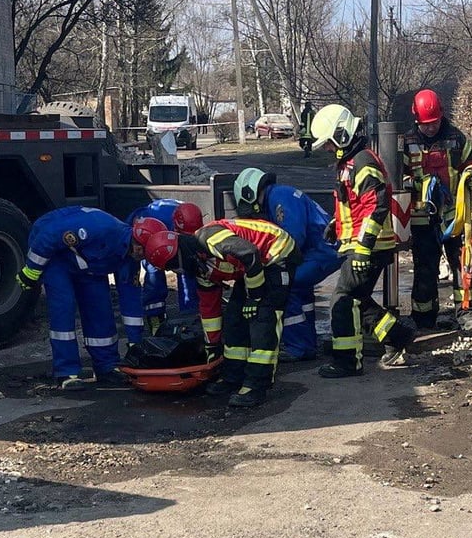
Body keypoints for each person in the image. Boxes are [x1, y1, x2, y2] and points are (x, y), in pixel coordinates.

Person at [143, 218, 300, 408]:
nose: (177, 272)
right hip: (251, 266)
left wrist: (255, 297)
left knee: (263, 319)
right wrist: (211, 345)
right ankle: (233, 377)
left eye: (172, 266)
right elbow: (210, 310)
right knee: (234, 318)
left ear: (177, 257)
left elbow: (249, 253)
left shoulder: (209, 238)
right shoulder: (201, 268)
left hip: (276, 253)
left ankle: (257, 385)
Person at [310, 104, 416, 377]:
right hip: (361, 244)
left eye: (329, 143)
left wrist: (363, 248)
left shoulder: (363, 162)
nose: (328, 149)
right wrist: (336, 225)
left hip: (368, 246)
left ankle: (347, 361)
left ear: (341, 134)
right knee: (358, 299)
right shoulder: (352, 162)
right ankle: (397, 336)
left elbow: (377, 206)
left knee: (342, 300)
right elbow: (355, 204)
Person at [15, 206, 144, 390]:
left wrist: (135, 343)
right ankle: (66, 371)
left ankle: (107, 366)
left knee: (100, 308)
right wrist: (31, 270)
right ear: (137, 244)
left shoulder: (132, 256)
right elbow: (50, 235)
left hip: (89, 263)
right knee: (63, 306)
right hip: (56, 255)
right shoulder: (99, 228)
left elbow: (131, 300)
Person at [233, 168, 343, 363]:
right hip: (323, 249)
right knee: (301, 291)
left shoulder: (279, 198)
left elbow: (292, 239)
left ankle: (298, 347)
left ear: (250, 194)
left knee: (285, 285)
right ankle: (306, 343)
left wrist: (269, 263)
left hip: (321, 250)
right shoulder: (279, 195)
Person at [402, 88, 472, 333]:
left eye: (434, 122)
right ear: (416, 119)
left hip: (453, 216)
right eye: (425, 124)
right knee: (425, 267)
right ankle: (424, 319)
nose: (430, 128)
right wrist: (412, 184)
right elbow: (399, 175)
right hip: (422, 217)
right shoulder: (407, 142)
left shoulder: (456, 138)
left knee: (462, 263)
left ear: (442, 115)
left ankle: (468, 312)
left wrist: (471, 174)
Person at [127, 199, 204, 332]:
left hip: (170, 227)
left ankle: (191, 315)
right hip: (151, 235)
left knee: (188, 269)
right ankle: (155, 317)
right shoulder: (151, 223)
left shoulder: (190, 217)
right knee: (154, 273)